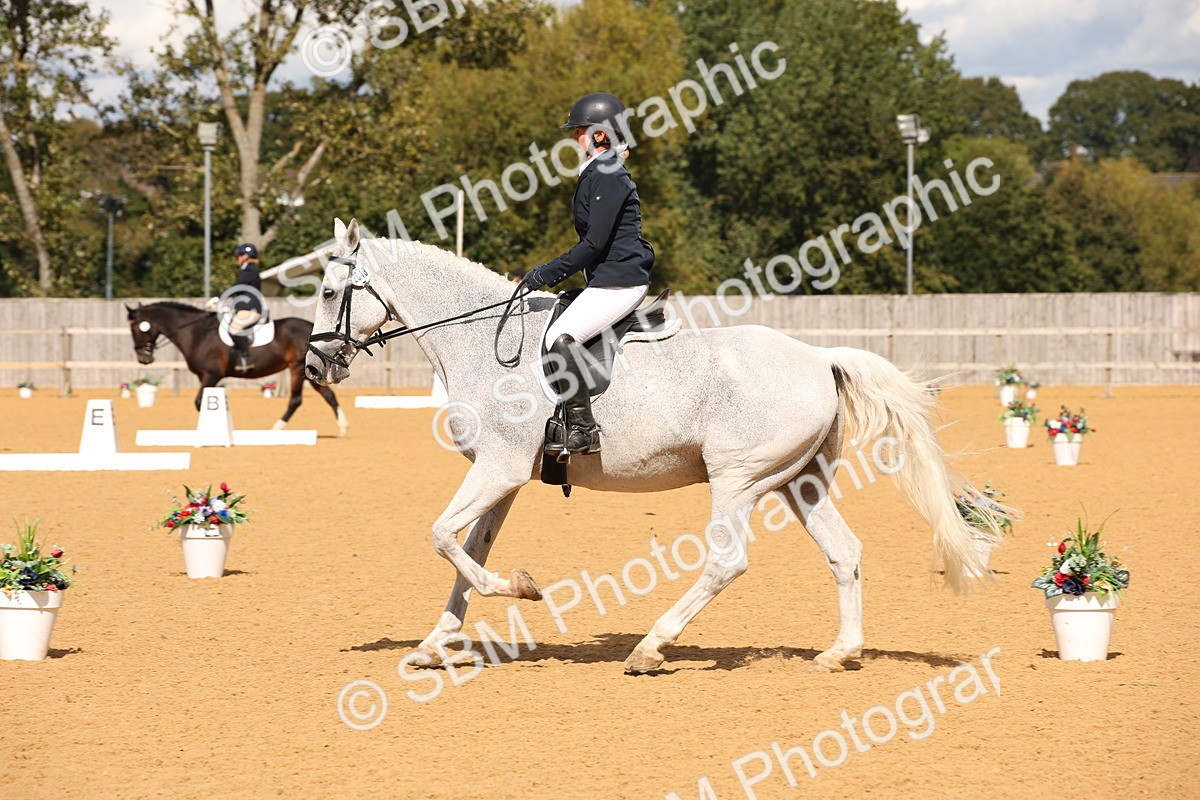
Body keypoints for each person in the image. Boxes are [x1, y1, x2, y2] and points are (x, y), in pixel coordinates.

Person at [522, 92, 655, 456]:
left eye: (578, 130)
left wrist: (545, 273)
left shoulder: (608, 174)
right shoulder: (600, 171)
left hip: (621, 282)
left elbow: (594, 244)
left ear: (599, 135)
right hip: (608, 280)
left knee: (559, 337)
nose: (573, 136)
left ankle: (583, 428)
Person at [226, 243, 264, 372]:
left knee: (233, 329)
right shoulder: (250, 270)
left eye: (240, 255)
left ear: (246, 257)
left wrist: (219, 297)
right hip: (245, 308)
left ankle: (246, 359)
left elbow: (236, 287)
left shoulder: (250, 270)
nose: (238, 258)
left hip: (250, 310)